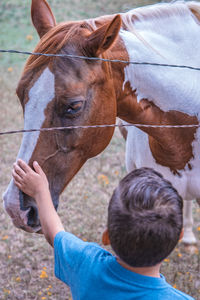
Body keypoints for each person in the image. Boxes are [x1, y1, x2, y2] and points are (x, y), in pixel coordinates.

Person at [12, 159, 194, 300]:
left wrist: (40, 191)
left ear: (106, 236)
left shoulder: (86, 263)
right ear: (179, 236)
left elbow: (54, 233)